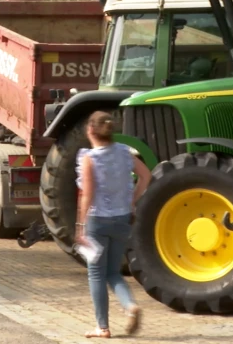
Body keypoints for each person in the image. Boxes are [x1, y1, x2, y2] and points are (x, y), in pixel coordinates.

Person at [75, 111, 151, 339]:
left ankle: (103, 327)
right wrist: (133, 200)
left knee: (96, 274)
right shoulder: (124, 153)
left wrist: (80, 225)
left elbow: (87, 194)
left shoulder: (89, 158)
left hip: (98, 221)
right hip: (122, 219)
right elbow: (146, 175)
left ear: (90, 130)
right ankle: (130, 306)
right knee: (113, 272)